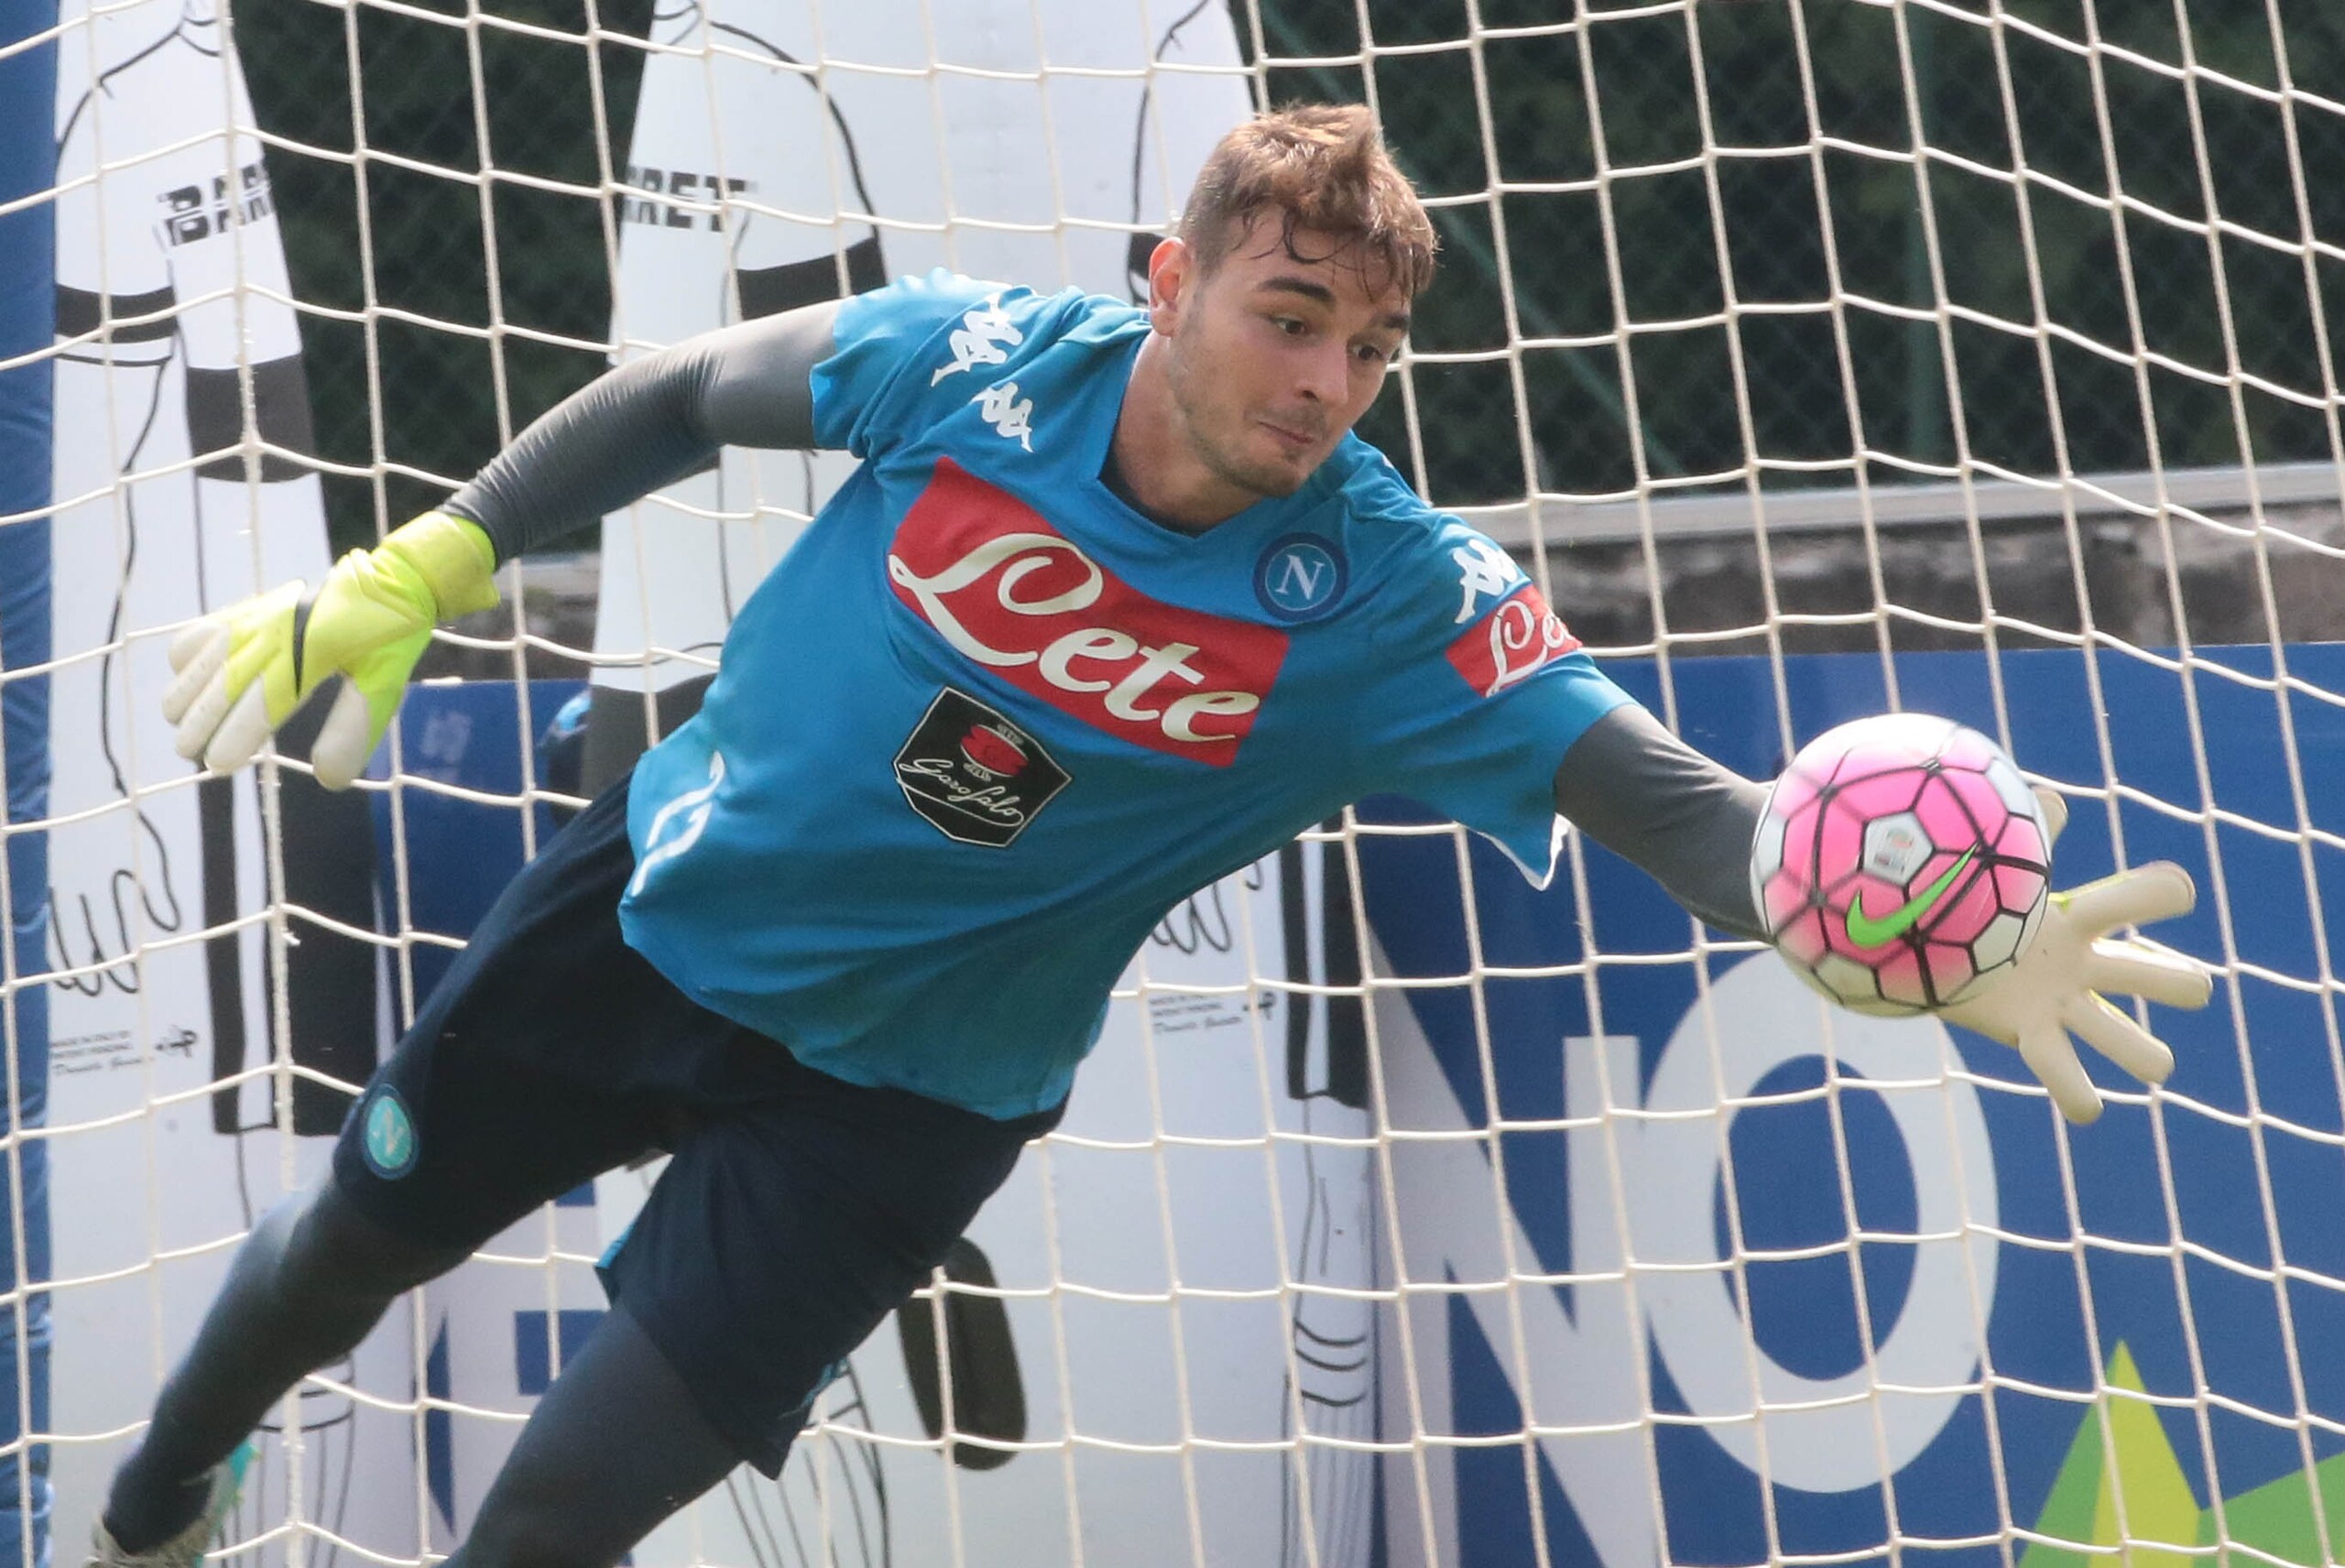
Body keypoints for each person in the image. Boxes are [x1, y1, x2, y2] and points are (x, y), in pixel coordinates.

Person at [95, 104, 2209, 1568]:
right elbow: (675, 395)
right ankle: (150, 1516)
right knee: (332, 1261)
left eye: (1367, 349)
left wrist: (1928, 931)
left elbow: (1690, 815)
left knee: (553, 1519)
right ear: (1167, 278)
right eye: (1287, 316)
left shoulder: (1385, 596)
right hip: (650, 913)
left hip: (893, 1108)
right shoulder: (973, 364)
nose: (1325, 383)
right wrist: (430, 559)